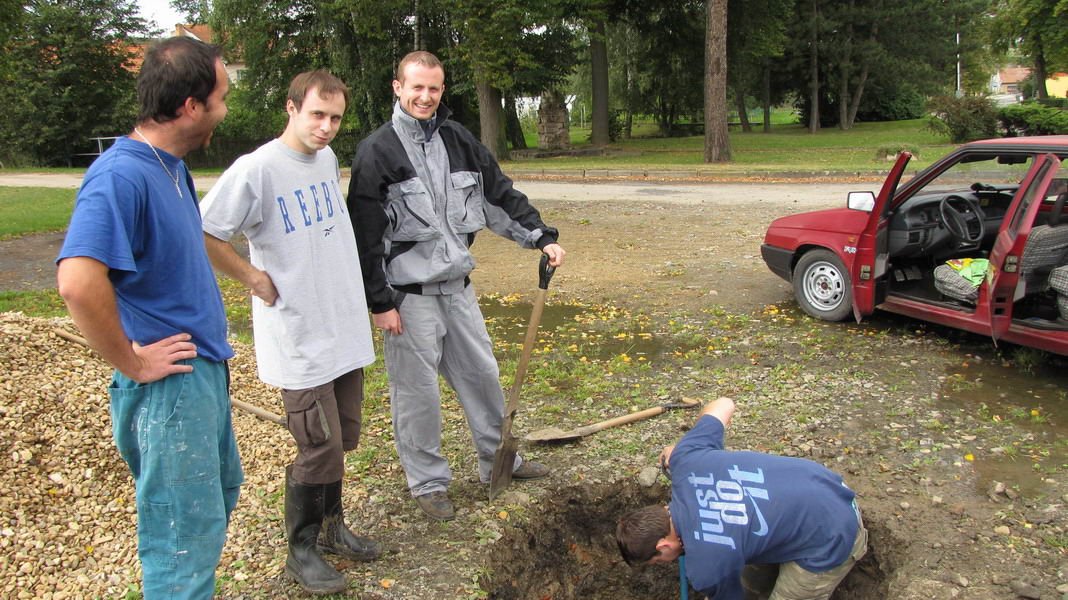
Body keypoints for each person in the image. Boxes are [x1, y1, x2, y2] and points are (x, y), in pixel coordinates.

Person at [55, 37, 242, 599]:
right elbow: (77, 283)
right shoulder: (120, 176)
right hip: (170, 390)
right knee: (180, 545)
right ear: (191, 105)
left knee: (210, 509)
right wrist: (133, 363)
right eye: (222, 97)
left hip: (200, 374)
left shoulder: (171, 166)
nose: (226, 109)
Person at [347, 50, 566, 521]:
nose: (425, 97)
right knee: (417, 394)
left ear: (442, 90)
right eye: (417, 87)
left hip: (458, 290)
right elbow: (365, 238)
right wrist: (380, 302)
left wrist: (540, 237)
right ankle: (428, 483)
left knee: (483, 377)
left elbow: (498, 196)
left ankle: (498, 462)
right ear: (398, 88)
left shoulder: (458, 139)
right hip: (409, 300)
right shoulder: (377, 152)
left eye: (434, 88)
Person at [199, 70, 380, 595]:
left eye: (336, 118)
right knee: (317, 446)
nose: (326, 128)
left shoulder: (323, 160)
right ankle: (300, 552)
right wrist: (253, 277)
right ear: (292, 108)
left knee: (343, 437)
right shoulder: (256, 169)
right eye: (317, 115)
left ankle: (331, 530)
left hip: (339, 327)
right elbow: (205, 229)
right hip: (299, 335)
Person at [616, 397, 868, 600]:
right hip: (822, 485)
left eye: (658, 562)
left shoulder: (707, 567)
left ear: (663, 546)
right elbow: (724, 403)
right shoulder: (685, 459)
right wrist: (684, 447)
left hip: (833, 532)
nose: (663, 563)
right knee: (749, 581)